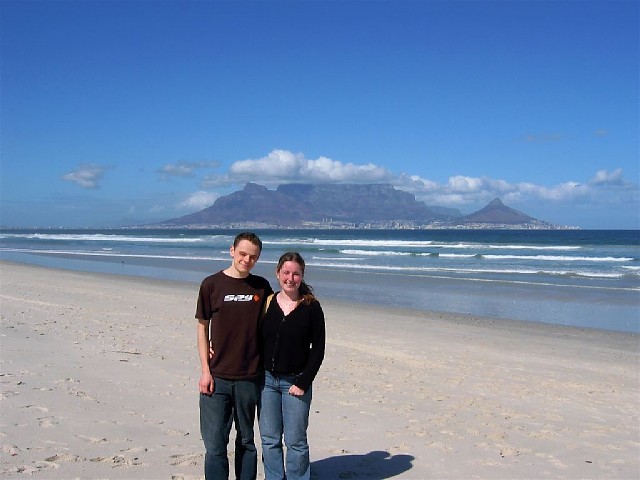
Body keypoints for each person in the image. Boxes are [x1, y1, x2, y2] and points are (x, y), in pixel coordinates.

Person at [195, 232, 274, 480]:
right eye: (242, 254)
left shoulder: (261, 287)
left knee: (247, 441)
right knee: (215, 445)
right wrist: (205, 370)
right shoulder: (211, 284)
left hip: (250, 377)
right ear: (232, 251)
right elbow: (201, 326)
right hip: (217, 377)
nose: (246, 260)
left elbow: (277, 318)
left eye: (253, 257)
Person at [259, 252, 326, 480]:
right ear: (277, 273)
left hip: (295, 382)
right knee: (269, 439)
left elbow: (318, 349)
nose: (290, 278)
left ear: (302, 276)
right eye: (286, 273)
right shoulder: (268, 303)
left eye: (296, 274)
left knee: (296, 441)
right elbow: (252, 338)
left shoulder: (312, 308)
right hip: (266, 381)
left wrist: (303, 381)